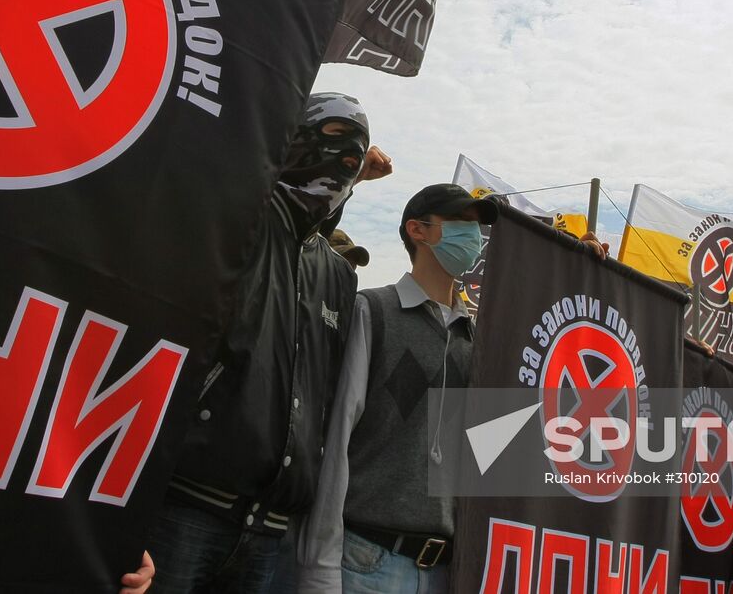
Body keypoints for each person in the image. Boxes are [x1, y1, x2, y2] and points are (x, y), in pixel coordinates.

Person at [120, 93, 392, 594]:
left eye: (354, 158)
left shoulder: (335, 274)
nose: (342, 164)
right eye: (330, 140)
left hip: (268, 532)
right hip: (180, 510)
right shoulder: (238, 222)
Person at [295, 183, 498, 593]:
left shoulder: (476, 341)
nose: (473, 238)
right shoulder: (374, 310)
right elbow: (336, 440)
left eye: (478, 228)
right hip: (367, 561)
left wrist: (581, 270)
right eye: (461, 223)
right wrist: (319, 569)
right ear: (417, 230)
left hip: (447, 570)